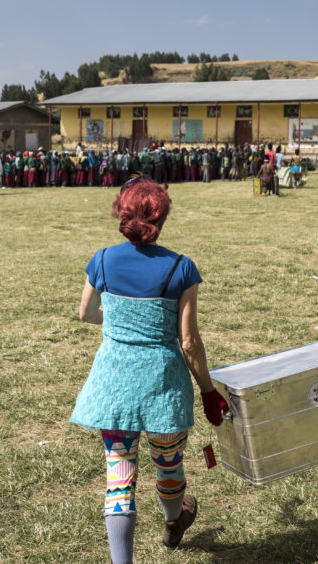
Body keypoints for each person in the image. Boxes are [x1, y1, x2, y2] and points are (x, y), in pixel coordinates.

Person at [71, 176, 229, 564]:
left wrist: (121, 322)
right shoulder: (181, 267)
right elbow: (188, 341)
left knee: (119, 475)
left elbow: (86, 314)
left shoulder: (102, 259)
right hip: (163, 386)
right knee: (168, 462)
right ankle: (174, 521)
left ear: (122, 214)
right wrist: (209, 392)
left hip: (115, 386)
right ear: (160, 218)